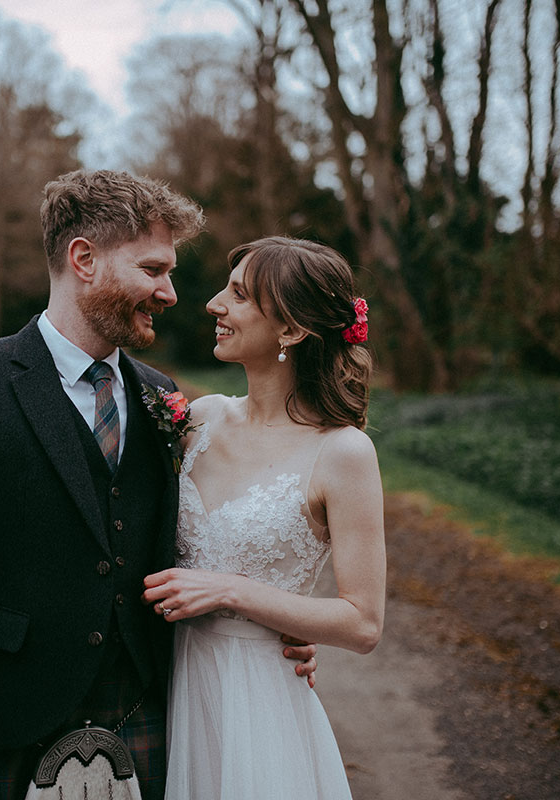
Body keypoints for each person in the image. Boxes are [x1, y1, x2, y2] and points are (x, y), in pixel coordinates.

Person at [0, 171, 318, 800]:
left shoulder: (161, 396)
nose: (170, 292)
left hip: (146, 720)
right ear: (83, 258)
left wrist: (277, 626)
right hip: (5, 730)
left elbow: (190, 550)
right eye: (152, 269)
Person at [142, 236, 387, 800]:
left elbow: (364, 623)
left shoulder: (343, 454)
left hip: (255, 701)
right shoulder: (199, 420)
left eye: (239, 295)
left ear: (292, 331)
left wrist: (234, 591)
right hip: (166, 680)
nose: (212, 304)